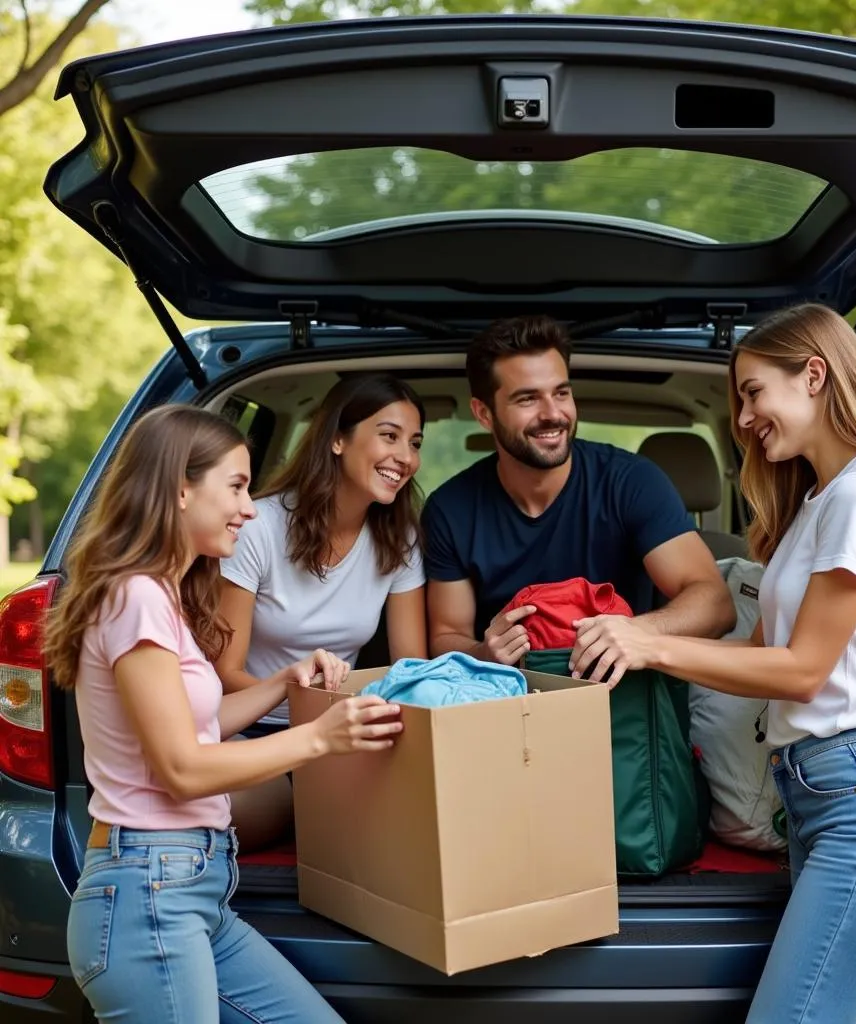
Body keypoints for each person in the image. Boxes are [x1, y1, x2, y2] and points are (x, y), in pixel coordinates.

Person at [566, 303, 856, 1024]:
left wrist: (650, 643)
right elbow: (756, 651)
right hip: (834, 803)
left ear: (814, 375)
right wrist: (640, 648)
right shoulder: (820, 501)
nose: (743, 418)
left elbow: (803, 669)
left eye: (752, 392)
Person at [44, 405, 404, 1024]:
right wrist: (319, 737)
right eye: (236, 486)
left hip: (194, 894)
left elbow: (197, 728)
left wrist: (281, 685)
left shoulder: (161, 596)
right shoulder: (135, 597)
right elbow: (182, 769)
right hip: (147, 897)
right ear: (181, 488)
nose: (249, 507)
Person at [422, 314, 735, 670]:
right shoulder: (451, 509)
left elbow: (715, 602)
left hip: (622, 702)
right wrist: (484, 652)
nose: (553, 413)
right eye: (527, 399)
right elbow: (446, 634)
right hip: (506, 701)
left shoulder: (631, 482)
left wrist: (636, 632)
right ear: (483, 414)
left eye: (561, 392)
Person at [216, 372, 427, 847]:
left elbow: (411, 669)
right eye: (388, 436)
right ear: (336, 439)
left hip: (350, 739)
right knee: (236, 810)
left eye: (414, 443)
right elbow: (225, 671)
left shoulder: (401, 541)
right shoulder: (259, 528)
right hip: (255, 735)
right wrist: (311, 708)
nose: (406, 458)